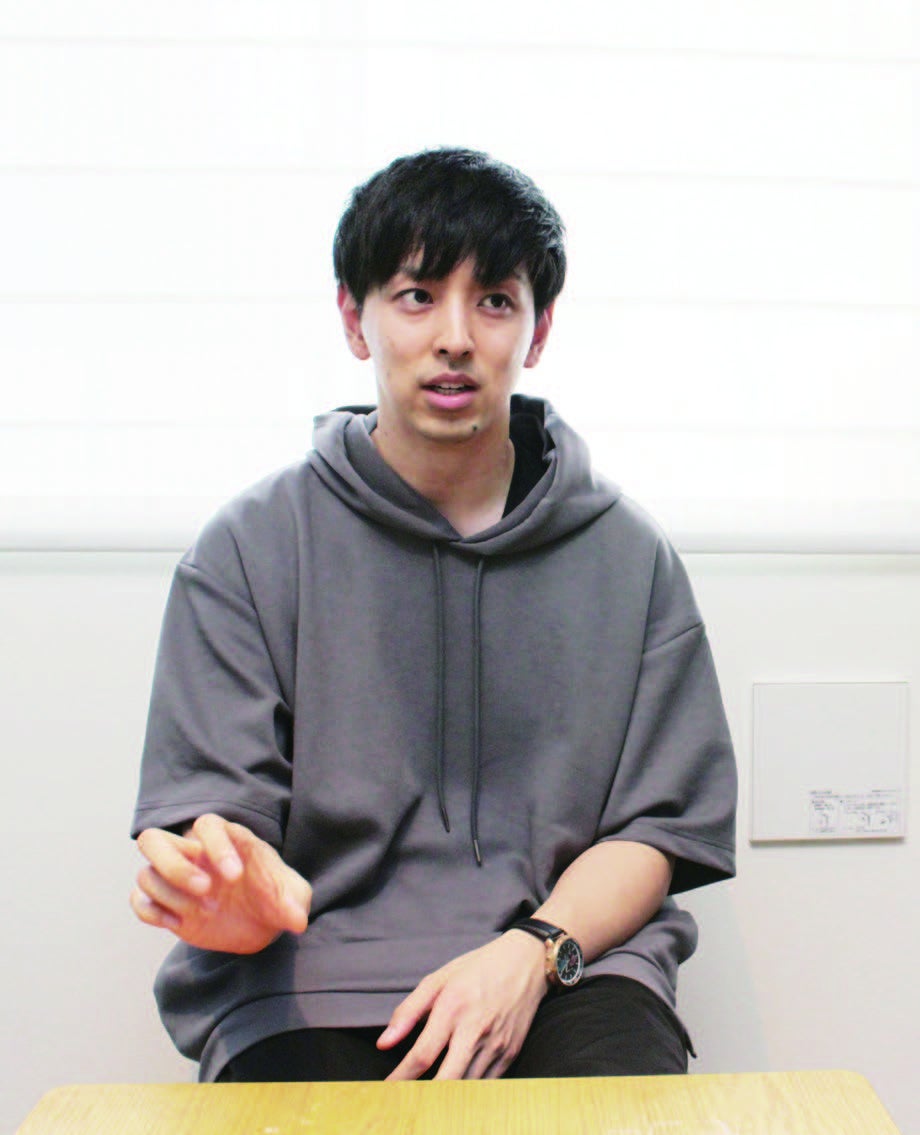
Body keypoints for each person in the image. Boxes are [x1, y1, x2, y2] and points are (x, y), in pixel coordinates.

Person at [130, 148, 737, 1083]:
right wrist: (233, 899)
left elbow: (655, 831)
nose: (455, 337)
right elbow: (217, 826)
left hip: (569, 969)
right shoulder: (247, 548)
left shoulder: (629, 554)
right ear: (354, 317)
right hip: (312, 979)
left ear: (536, 330)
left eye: (493, 300)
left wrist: (531, 953)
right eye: (417, 296)